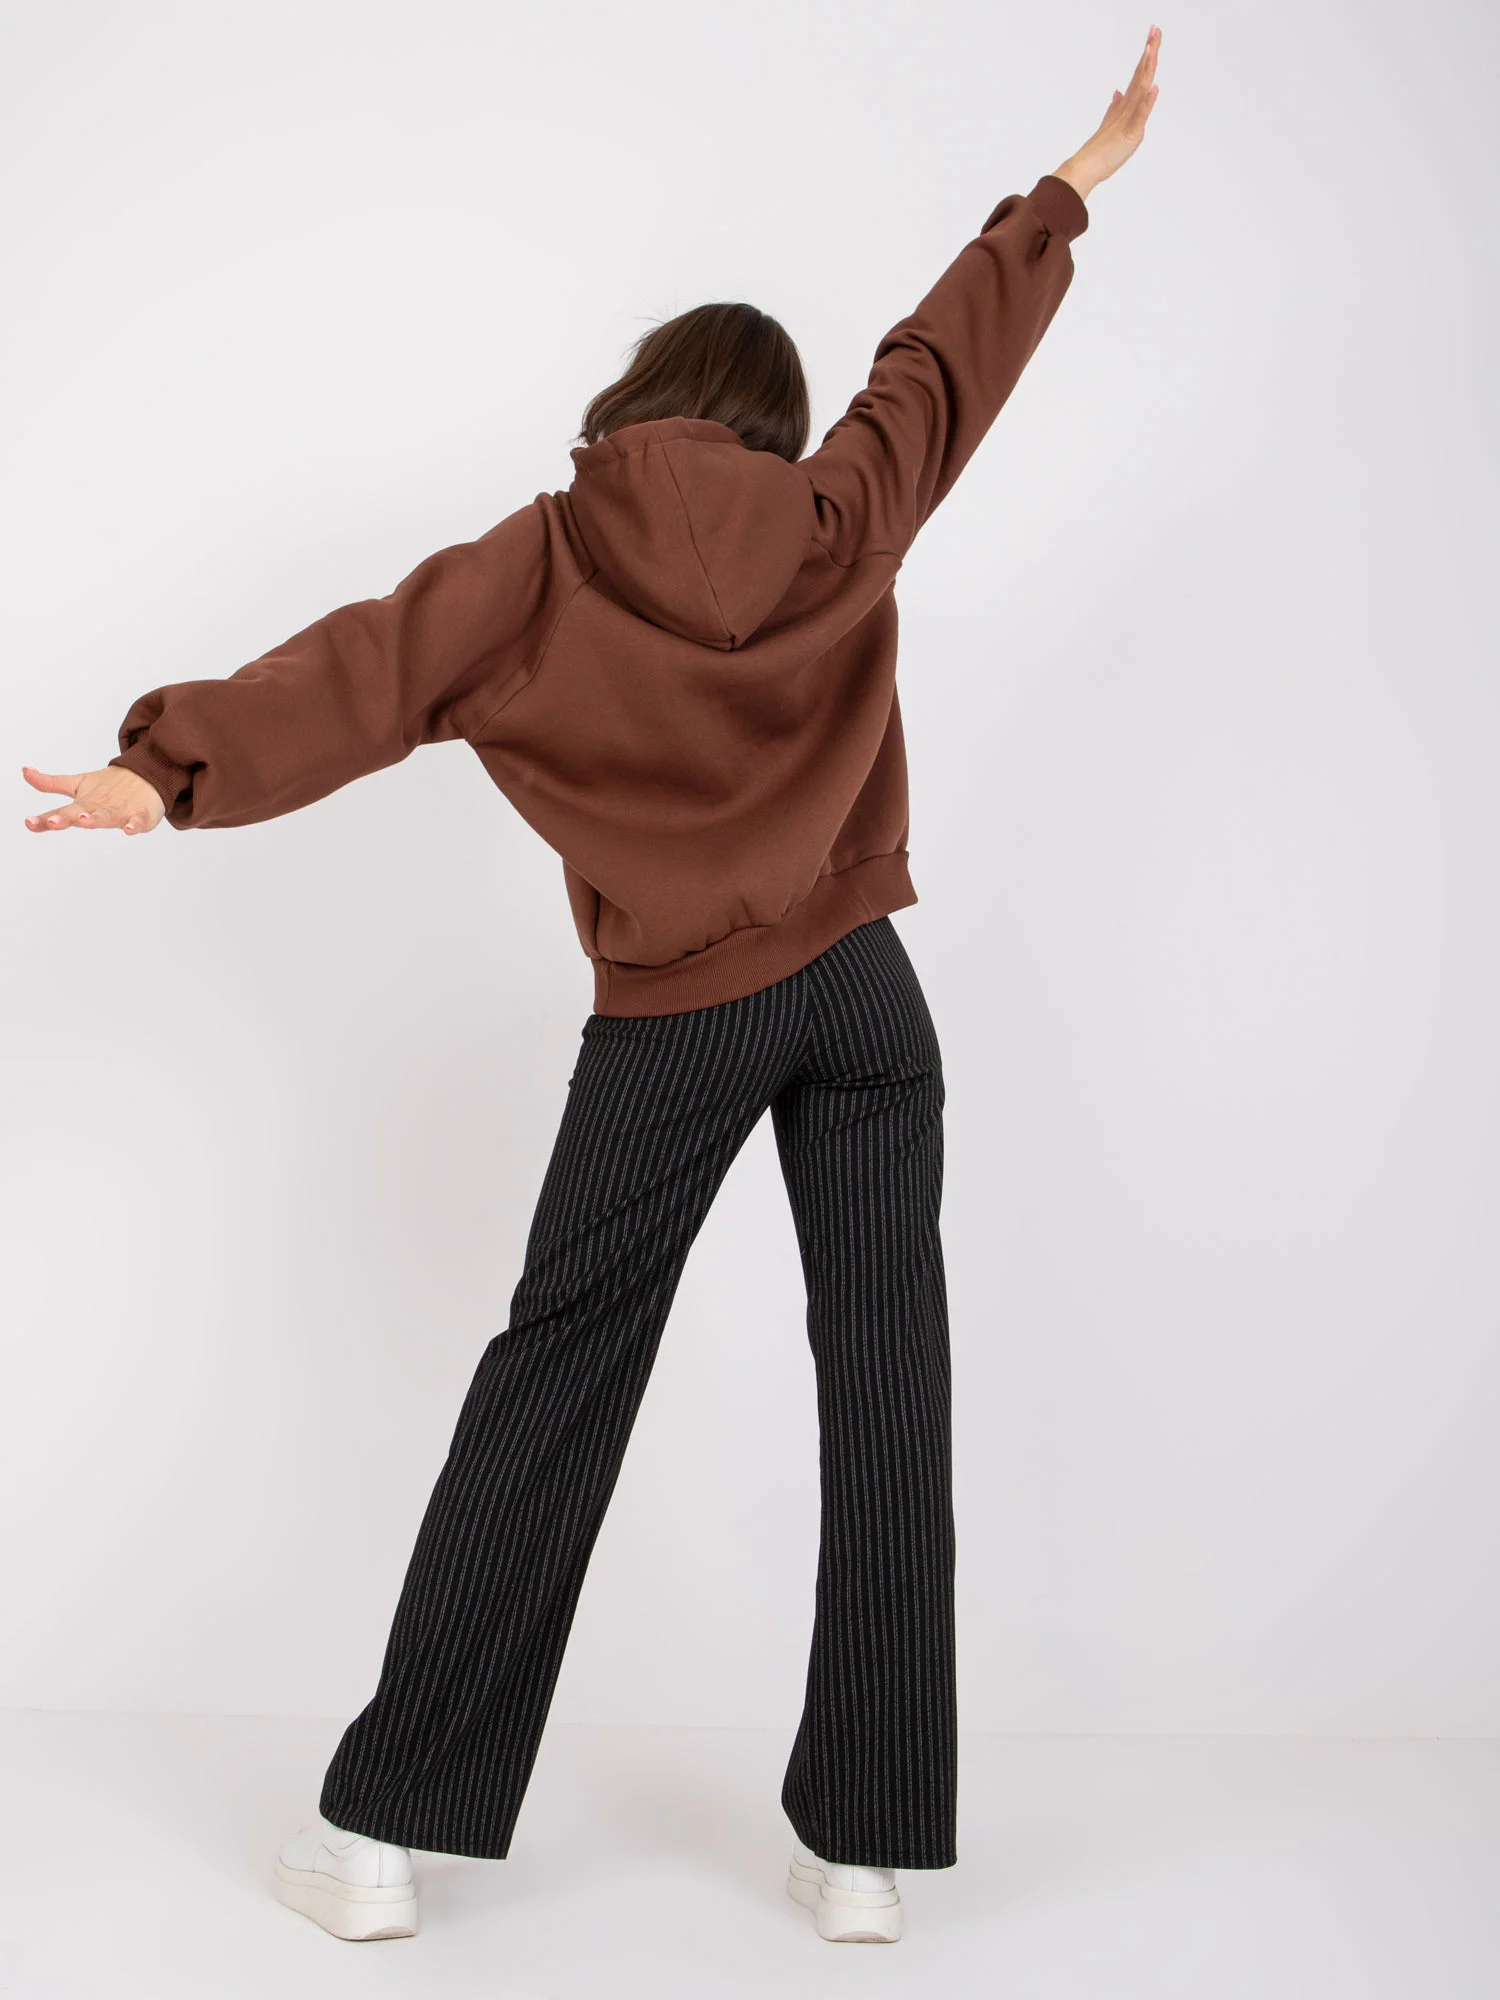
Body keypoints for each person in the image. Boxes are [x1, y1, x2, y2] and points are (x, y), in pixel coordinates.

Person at [22, 28, 1161, 1947]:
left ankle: (379, 1842)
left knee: (559, 1378)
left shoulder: (546, 560)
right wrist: (1070, 188)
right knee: (890, 1375)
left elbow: (370, 668)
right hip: (865, 993)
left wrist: (169, 771)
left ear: (640, 404)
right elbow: (940, 363)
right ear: (770, 427)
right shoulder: (841, 510)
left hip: (679, 1018)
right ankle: (864, 1851)